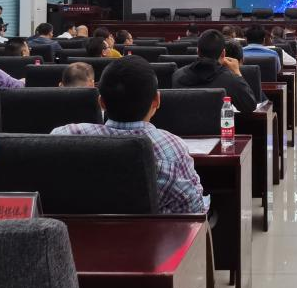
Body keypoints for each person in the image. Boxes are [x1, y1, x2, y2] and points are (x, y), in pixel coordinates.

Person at [51, 56, 205, 214]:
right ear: (157, 100)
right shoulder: (173, 150)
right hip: (148, 230)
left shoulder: (63, 137)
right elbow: (194, 211)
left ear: (101, 102)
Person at [172, 30, 256, 113]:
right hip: (219, 122)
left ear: (198, 51)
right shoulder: (230, 79)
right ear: (223, 54)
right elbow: (249, 106)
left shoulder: (177, 75)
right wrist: (237, 73)